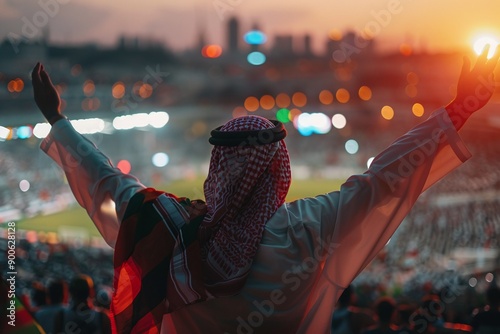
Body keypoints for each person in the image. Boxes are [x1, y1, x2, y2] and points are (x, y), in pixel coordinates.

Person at [32, 46, 499, 333]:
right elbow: (384, 181)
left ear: (218, 169)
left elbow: (106, 182)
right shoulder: (308, 229)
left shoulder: (169, 231)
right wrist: (456, 112)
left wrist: (58, 121)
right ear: (280, 170)